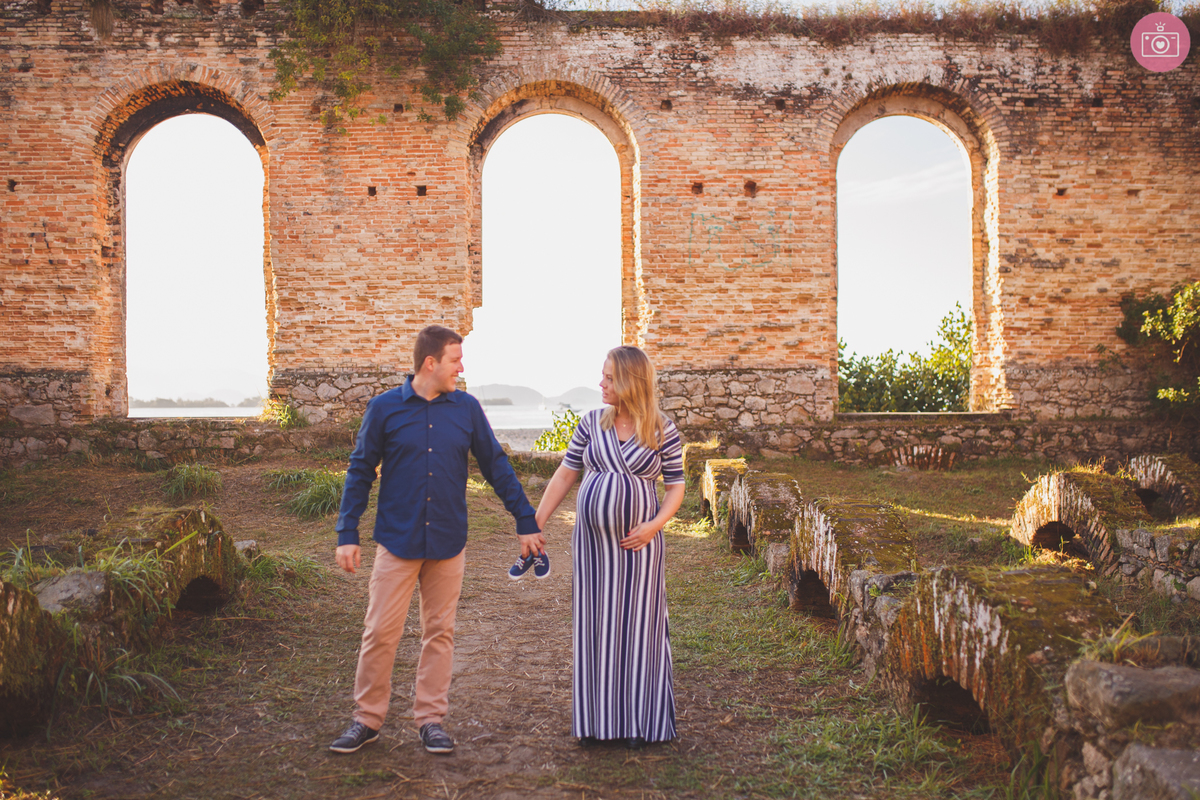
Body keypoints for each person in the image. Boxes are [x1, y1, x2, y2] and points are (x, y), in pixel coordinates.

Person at [329, 325, 545, 756]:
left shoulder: (466, 409)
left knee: (440, 633)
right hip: (397, 540)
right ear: (430, 363)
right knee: (380, 633)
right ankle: (366, 720)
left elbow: (496, 465)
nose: (461, 368)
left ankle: (430, 720)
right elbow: (360, 470)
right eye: (455, 360)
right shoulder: (384, 409)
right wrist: (347, 532)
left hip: (448, 541)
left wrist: (525, 518)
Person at [534, 345, 685, 748]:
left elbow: (676, 487)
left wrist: (653, 526)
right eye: (602, 376)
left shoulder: (662, 429)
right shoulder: (590, 423)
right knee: (594, 625)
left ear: (630, 382)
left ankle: (637, 722)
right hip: (593, 547)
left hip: (640, 546)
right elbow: (565, 475)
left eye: (608, 378)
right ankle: (597, 723)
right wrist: (536, 521)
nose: (600, 383)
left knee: (639, 627)